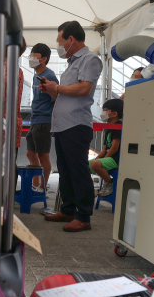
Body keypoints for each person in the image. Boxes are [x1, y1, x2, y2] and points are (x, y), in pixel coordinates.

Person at [41, 21, 103, 232]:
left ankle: (83, 216)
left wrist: (57, 87)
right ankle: (67, 209)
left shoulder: (90, 59)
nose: (58, 46)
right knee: (65, 171)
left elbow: (84, 88)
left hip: (76, 124)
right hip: (63, 126)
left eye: (60, 41)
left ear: (71, 40)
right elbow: (66, 93)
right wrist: (52, 91)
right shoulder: (71, 63)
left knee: (78, 171)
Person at [27, 43, 58, 192]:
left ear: (44, 59)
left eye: (34, 56)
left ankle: (42, 187)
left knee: (43, 155)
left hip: (44, 120)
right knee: (30, 153)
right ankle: (36, 184)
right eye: (30, 55)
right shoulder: (35, 76)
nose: (30, 58)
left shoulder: (49, 75)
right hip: (35, 119)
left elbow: (57, 99)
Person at [90, 99, 123, 197]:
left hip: (115, 159)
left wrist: (101, 161)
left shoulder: (118, 126)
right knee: (85, 165)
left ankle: (109, 182)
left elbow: (114, 148)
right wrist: (97, 159)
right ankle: (88, 188)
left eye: (105, 110)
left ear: (114, 113)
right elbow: (105, 149)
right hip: (108, 157)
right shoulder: (108, 127)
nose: (102, 113)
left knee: (95, 164)